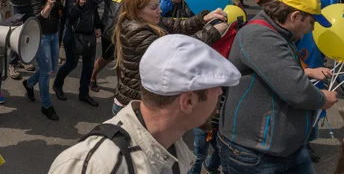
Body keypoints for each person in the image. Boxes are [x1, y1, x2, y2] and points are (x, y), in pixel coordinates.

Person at [49, 34, 241, 174]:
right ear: (188, 101)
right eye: (215, 88)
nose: (220, 93)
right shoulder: (94, 165)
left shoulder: (173, 148)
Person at [219, 0, 338, 174]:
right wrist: (322, 99)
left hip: (284, 148)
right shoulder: (261, 36)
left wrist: (306, 73)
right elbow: (296, 91)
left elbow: (276, 72)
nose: (311, 29)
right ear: (295, 16)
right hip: (256, 153)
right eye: (311, 22)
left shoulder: (277, 32)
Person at [112, 0, 227, 116]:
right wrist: (212, 32)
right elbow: (176, 53)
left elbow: (179, 25)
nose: (159, 11)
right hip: (133, 108)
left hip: (141, 103)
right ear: (138, 12)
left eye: (158, 5)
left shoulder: (149, 22)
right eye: (154, 7)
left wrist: (203, 19)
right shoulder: (137, 32)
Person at [53, 0, 102, 107]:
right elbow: (69, 14)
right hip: (73, 33)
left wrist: (98, 26)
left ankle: (84, 94)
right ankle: (57, 85)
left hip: (89, 33)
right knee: (71, 63)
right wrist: (79, 5)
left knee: (88, 66)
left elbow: (95, 10)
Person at [24, 0, 65, 120]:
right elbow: (36, 18)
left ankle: (29, 84)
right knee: (46, 72)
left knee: (51, 68)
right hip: (41, 36)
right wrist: (48, 5)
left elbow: (60, 15)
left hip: (54, 34)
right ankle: (46, 105)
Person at [90, 0, 131, 92]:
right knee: (107, 58)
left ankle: (121, 85)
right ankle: (92, 77)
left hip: (128, 27)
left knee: (123, 58)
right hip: (110, 27)